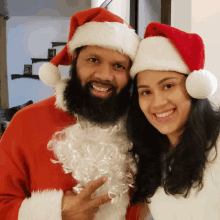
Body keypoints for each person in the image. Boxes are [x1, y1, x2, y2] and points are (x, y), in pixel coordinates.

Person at [0, 7, 142, 220]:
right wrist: (55, 212)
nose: (105, 75)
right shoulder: (26, 122)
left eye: (118, 66)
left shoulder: (140, 125)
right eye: (93, 60)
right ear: (75, 60)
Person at [127, 22, 220, 220]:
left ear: (194, 86)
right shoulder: (149, 156)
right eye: (145, 92)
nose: (157, 103)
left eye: (168, 85)